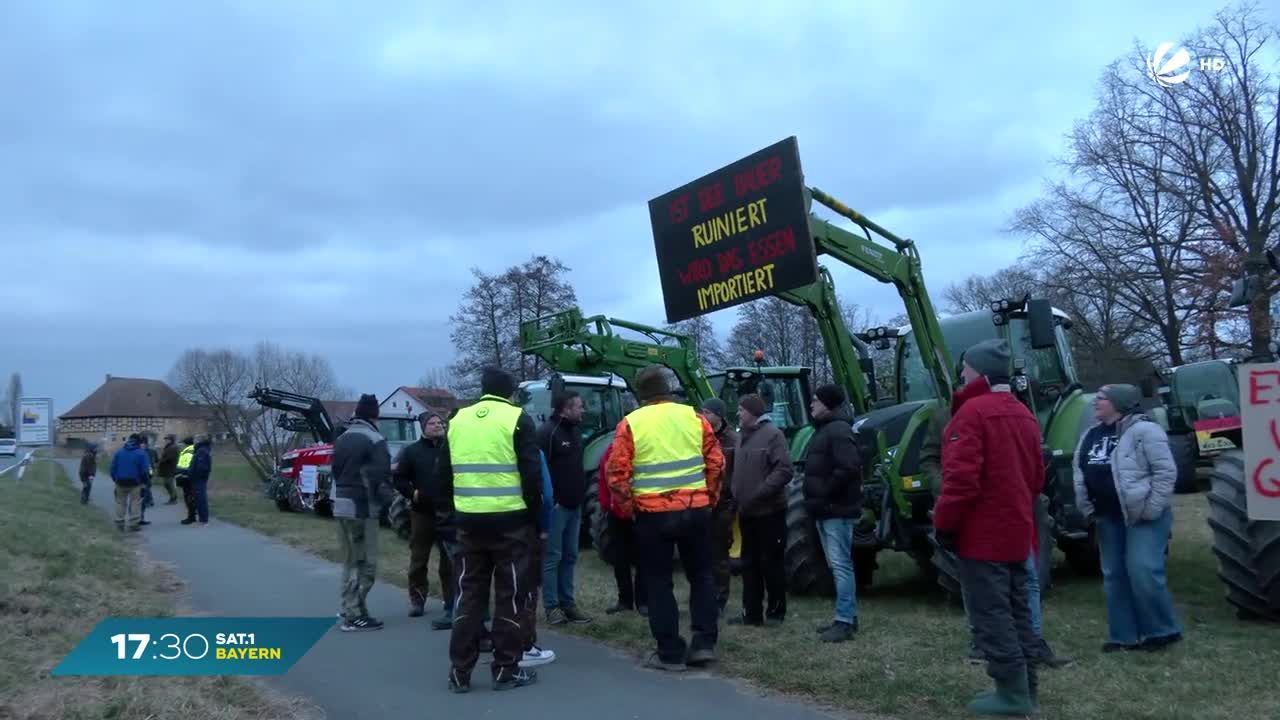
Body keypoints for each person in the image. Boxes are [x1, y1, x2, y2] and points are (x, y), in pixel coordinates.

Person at [932, 339, 1043, 715]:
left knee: (991, 615)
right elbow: (1036, 478)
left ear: (978, 371)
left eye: (965, 369)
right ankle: (1027, 689)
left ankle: (1011, 695)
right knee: (1019, 612)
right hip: (1017, 532)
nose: (961, 375)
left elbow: (960, 481)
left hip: (982, 537)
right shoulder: (1024, 414)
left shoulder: (971, 414)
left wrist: (944, 524)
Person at [605, 365, 724, 672]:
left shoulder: (631, 423)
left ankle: (670, 652)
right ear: (668, 389)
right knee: (701, 577)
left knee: (658, 582)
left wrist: (629, 509)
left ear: (641, 395)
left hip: (652, 516)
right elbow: (716, 463)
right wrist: (709, 498)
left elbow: (616, 474)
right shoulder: (695, 419)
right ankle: (704, 644)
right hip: (696, 511)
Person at [442, 367, 542, 693]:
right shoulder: (517, 418)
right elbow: (531, 476)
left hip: (469, 522)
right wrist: (535, 518)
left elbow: (441, 474)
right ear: (510, 392)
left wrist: (453, 514)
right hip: (510, 523)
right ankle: (505, 670)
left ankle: (460, 672)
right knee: (509, 594)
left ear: (483, 389)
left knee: (468, 596)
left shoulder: (457, 420)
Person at [1073, 383, 1182, 652]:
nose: (1095, 402)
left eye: (1101, 398)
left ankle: (1162, 631)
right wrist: (1087, 506)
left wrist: (1152, 508)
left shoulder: (1145, 431)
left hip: (1141, 515)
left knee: (1143, 570)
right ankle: (1124, 636)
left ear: (1119, 403)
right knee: (1114, 576)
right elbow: (1080, 470)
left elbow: (1165, 472)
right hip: (1107, 516)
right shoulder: (1090, 434)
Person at [802, 383, 863, 643]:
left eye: (816, 401)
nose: (812, 405)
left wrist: (824, 492)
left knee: (840, 565)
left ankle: (845, 621)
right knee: (836, 564)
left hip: (835, 509)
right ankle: (847, 615)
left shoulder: (837, 431)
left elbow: (848, 467)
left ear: (828, 404)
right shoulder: (825, 430)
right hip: (825, 509)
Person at [331, 393, 397, 632]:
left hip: (341, 503)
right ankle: (353, 615)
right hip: (362, 507)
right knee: (366, 564)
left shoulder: (342, 437)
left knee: (350, 561)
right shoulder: (375, 439)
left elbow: (335, 470)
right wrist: (392, 505)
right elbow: (381, 477)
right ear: (375, 415)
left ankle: (350, 607)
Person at [727, 393, 792, 627]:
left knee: (771, 563)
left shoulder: (773, 435)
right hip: (746, 513)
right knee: (749, 564)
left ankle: (775, 613)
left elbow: (784, 470)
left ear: (753, 412)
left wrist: (760, 493)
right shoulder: (741, 437)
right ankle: (751, 613)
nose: (738, 413)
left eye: (741, 409)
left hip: (769, 512)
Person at [393, 410, 456, 625]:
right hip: (422, 514)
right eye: (432, 423)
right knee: (419, 559)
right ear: (423, 427)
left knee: (449, 561)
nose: (438, 426)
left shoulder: (451, 448)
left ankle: (451, 602)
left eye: (439, 422)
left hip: (447, 513)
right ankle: (417, 600)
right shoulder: (411, 452)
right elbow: (399, 479)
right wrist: (413, 494)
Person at [538, 390, 592, 625]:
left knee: (570, 556)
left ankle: (568, 604)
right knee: (553, 557)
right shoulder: (547, 433)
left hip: (575, 505)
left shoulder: (575, 432)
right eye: (579, 406)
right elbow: (540, 472)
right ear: (565, 409)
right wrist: (551, 500)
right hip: (556, 508)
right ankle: (552, 607)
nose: (583, 410)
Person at [517, 449, 558, 669]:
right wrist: (544, 527)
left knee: (501, 588)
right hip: (525, 527)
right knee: (527, 586)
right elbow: (547, 495)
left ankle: (499, 643)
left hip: (479, 525)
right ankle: (525, 647)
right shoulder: (531, 449)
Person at [599, 441, 647, 616]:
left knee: (642, 558)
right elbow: (604, 479)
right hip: (616, 513)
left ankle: (643, 601)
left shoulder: (641, 448)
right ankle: (625, 600)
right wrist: (606, 505)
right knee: (620, 559)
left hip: (639, 512)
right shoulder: (611, 450)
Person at [700, 398, 738, 616]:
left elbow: (737, 472)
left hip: (723, 503)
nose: (702, 415)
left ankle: (720, 598)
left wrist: (732, 500)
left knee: (719, 554)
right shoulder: (699, 437)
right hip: (700, 502)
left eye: (706, 411)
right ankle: (706, 595)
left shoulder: (733, 440)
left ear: (718, 415)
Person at [109, 434, 150, 531]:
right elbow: (145, 471)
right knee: (135, 503)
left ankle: (119, 523)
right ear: (139, 442)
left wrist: (115, 479)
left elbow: (112, 468)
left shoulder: (119, 452)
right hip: (135, 482)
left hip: (120, 481)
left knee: (120, 503)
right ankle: (133, 524)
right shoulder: (141, 453)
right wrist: (144, 482)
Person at [188, 435, 213, 525]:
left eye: (195, 439)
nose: (194, 441)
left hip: (199, 479)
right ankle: (202, 518)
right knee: (199, 498)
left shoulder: (201, 451)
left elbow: (201, 467)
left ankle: (204, 519)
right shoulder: (201, 450)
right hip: (198, 479)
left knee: (201, 498)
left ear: (200, 440)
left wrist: (194, 476)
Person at [175, 437, 198, 524]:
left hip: (186, 477)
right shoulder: (190, 450)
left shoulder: (188, 451)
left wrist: (180, 474)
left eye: (182, 444)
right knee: (190, 496)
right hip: (186, 477)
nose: (181, 445)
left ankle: (191, 516)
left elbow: (186, 466)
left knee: (189, 497)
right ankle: (192, 514)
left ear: (185, 444)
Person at [136, 435, 156, 526]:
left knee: (147, 488)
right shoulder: (137, 452)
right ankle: (137, 517)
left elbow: (152, 463)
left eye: (144, 444)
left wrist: (151, 473)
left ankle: (149, 501)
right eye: (142, 444)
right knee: (140, 496)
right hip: (138, 477)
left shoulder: (150, 452)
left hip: (147, 473)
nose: (143, 445)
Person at [157, 434, 180, 504]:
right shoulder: (169, 447)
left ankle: (174, 499)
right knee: (167, 484)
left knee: (169, 484)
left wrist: (160, 461)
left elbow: (169, 458)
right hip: (167, 468)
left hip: (170, 468)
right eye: (166, 439)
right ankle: (172, 498)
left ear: (171, 440)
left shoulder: (173, 447)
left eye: (167, 439)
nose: (166, 440)